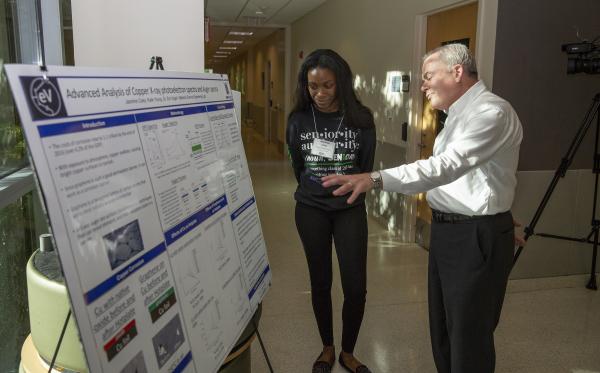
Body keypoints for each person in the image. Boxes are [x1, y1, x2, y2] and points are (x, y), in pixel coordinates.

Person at [322, 43, 523, 373]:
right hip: (454, 231)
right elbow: (480, 176)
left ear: (457, 72)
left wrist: (375, 178)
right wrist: (496, 213)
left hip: (473, 235)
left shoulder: (491, 112)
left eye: (429, 76)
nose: (423, 85)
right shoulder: (456, 116)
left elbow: (446, 166)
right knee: (443, 330)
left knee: (468, 337)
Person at [286, 49, 376, 373]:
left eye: (327, 85)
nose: (320, 94)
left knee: (355, 287)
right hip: (311, 209)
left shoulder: (361, 119)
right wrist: (315, 188)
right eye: (313, 87)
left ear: (341, 83)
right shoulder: (298, 119)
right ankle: (327, 347)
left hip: (349, 209)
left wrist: (344, 190)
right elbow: (298, 165)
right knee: (320, 282)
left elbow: (365, 168)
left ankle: (348, 353)